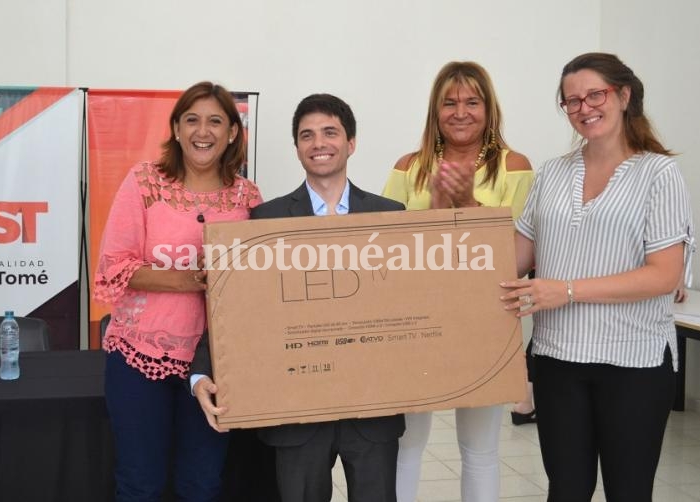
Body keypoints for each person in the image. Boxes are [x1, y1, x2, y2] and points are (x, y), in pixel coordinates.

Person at [192, 93, 406, 502]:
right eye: (306, 135)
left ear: (351, 142)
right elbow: (234, 307)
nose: (318, 143)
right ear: (297, 148)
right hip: (295, 408)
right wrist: (202, 371)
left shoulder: (390, 215)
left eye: (330, 132)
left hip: (372, 407)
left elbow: (413, 306)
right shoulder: (264, 220)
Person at [500, 52, 694, 501]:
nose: (584, 108)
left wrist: (566, 290)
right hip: (556, 361)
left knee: (628, 491)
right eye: (571, 101)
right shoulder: (552, 173)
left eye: (595, 95)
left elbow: (664, 275)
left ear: (624, 95)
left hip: (633, 364)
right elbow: (515, 258)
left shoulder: (658, 174)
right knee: (565, 490)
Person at [94, 81, 261, 501]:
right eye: (192, 120)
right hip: (138, 356)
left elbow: (258, 277)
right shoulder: (145, 182)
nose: (202, 131)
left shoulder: (248, 197)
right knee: (139, 484)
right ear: (176, 128)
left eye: (215, 122)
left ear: (233, 133)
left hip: (214, 363)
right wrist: (192, 278)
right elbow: (116, 267)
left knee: (202, 485)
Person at [382, 61, 534, 502]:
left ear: (489, 109)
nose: (460, 111)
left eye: (471, 101)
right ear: (435, 110)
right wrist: (433, 210)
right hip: (412, 323)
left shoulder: (515, 167)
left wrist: (465, 203)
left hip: (485, 323)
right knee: (406, 443)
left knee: (481, 448)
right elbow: (382, 251)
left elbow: (518, 257)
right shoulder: (408, 167)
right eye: (449, 102)